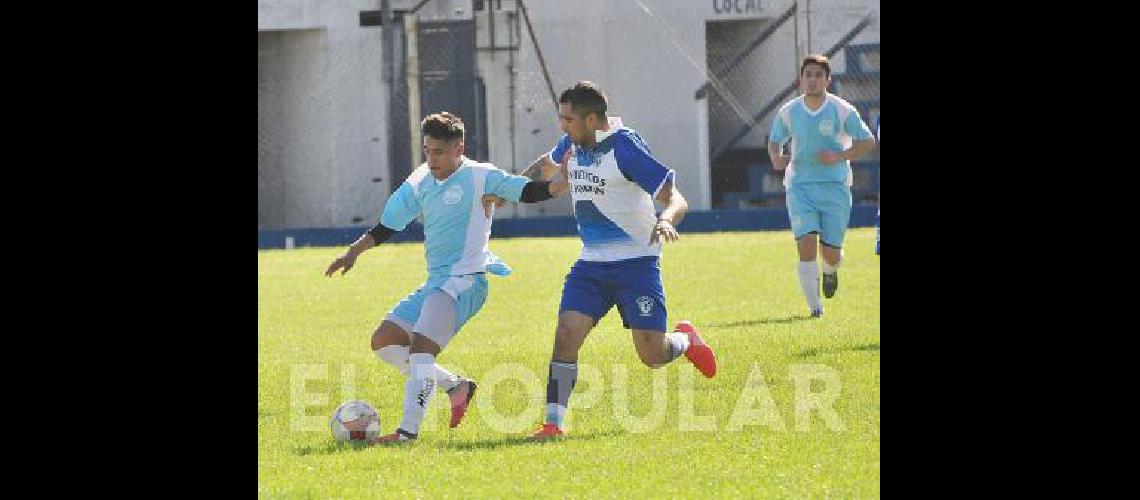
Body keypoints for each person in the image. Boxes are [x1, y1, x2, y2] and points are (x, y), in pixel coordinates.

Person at [490, 81, 717, 441]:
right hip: (591, 265)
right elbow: (547, 168)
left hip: (636, 264)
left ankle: (686, 340)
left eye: (568, 119)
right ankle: (554, 423)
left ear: (592, 119)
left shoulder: (625, 147)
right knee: (566, 335)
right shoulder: (574, 142)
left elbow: (677, 198)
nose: (562, 126)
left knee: (652, 355)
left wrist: (665, 220)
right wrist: (510, 189)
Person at [325, 111, 565, 444]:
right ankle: (456, 386)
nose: (432, 158)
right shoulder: (421, 179)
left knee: (422, 350)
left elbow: (532, 192)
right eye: (427, 150)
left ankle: (407, 433)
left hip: (465, 282)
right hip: (437, 284)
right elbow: (388, 225)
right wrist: (353, 252)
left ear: (458, 149)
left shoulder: (482, 176)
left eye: (439, 152)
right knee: (384, 340)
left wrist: (564, 177)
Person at [768, 54, 877, 317]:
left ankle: (830, 271)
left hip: (835, 188)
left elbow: (868, 141)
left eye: (819, 75)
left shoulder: (842, 110)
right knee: (805, 243)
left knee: (831, 254)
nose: (813, 80)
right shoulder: (789, 112)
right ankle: (815, 307)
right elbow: (775, 140)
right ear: (801, 79)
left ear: (828, 80)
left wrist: (839, 156)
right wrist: (775, 156)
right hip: (800, 186)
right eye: (808, 75)